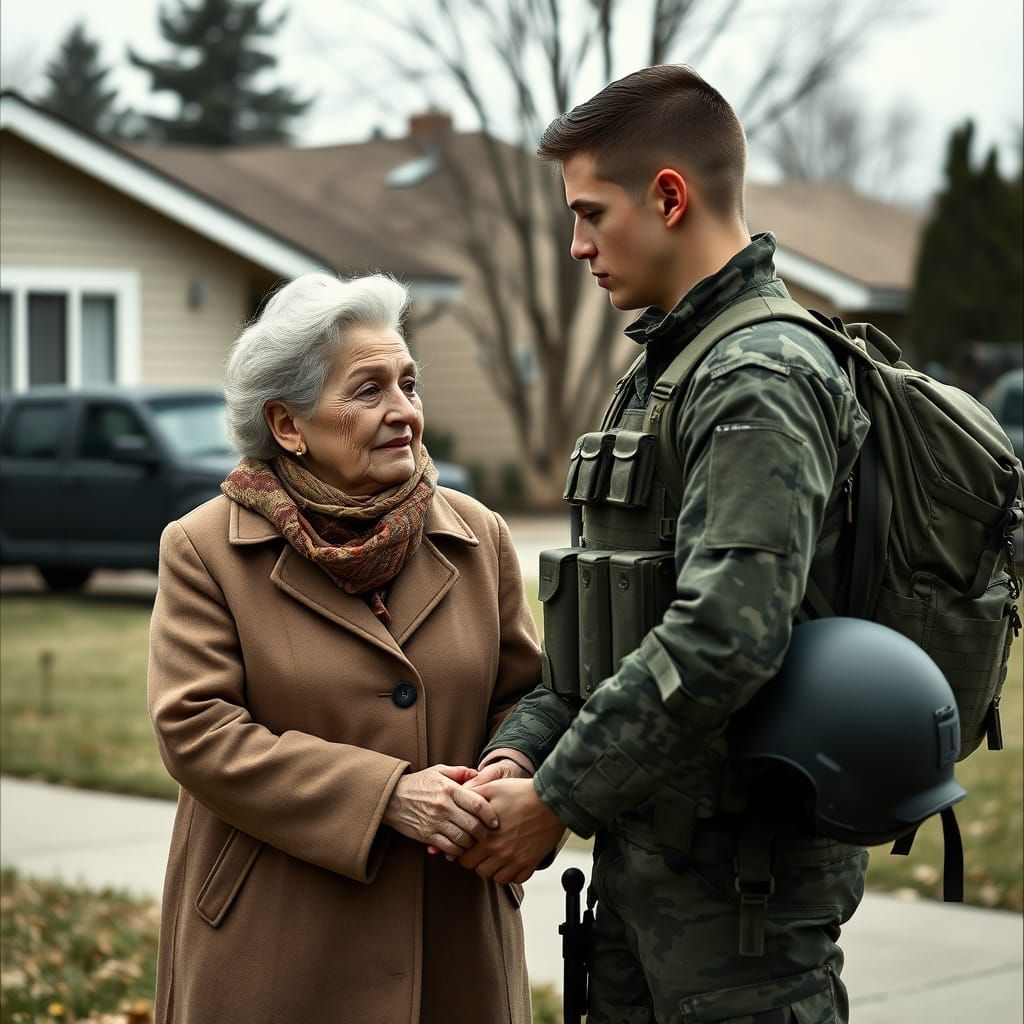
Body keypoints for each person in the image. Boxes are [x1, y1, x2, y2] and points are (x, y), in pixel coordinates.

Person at [456, 65, 873, 1023]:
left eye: (592, 213)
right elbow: (607, 624)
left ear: (670, 196)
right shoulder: (664, 371)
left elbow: (726, 635)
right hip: (648, 866)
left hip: (742, 902)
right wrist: (519, 760)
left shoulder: (759, 373)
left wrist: (556, 799)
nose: (576, 244)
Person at [147, 272, 541, 1024]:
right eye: (369, 391)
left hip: (452, 920)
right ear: (288, 426)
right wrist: (387, 797)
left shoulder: (477, 533)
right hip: (276, 936)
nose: (405, 414)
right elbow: (196, 728)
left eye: (410, 384)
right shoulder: (203, 549)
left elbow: (524, 694)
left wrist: (507, 774)